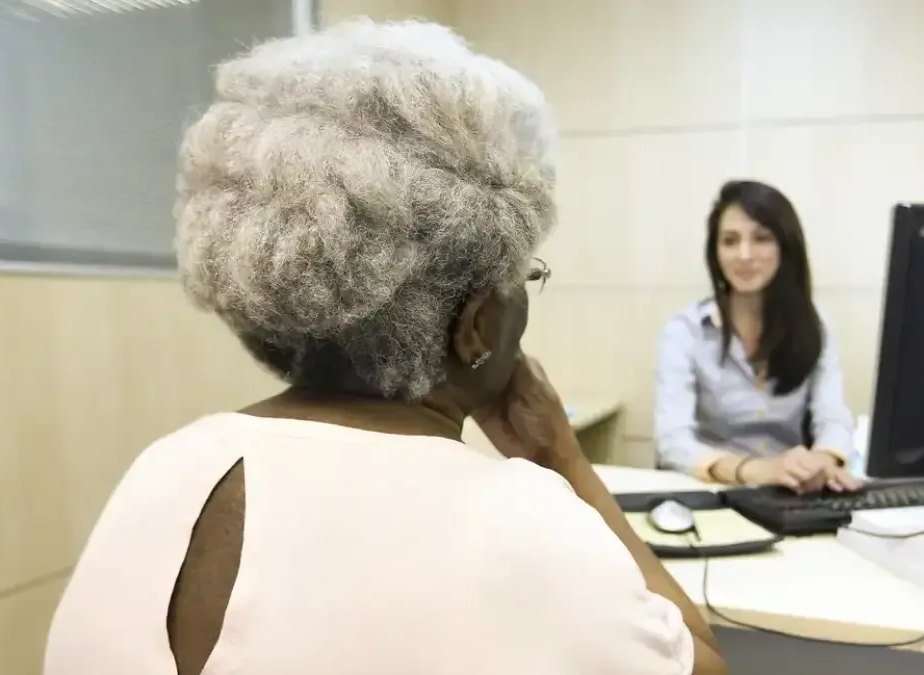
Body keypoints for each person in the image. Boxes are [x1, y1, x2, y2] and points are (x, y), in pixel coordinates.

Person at [44, 20, 726, 675]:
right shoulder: (530, 523)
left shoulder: (165, 469)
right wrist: (565, 462)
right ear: (475, 324)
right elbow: (703, 660)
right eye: (526, 276)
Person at [655, 180, 862, 493]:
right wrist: (754, 470)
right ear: (715, 252)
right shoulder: (685, 330)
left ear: (785, 247)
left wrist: (821, 461)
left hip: (792, 490)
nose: (745, 254)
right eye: (730, 241)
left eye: (762, 238)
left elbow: (833, 419)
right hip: (717, 490)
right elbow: (672, 440)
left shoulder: (814, 324)